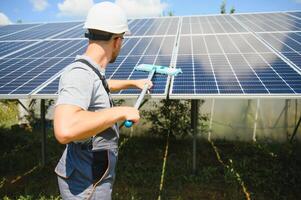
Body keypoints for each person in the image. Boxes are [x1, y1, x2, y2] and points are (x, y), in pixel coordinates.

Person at [53, 2, 152, 199]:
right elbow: (65, 130)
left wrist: (133, 83)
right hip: (86, 183)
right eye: (122, 39)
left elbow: (100, 84)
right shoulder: (79, 73)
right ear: (116, 40)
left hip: (92, 173)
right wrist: (120, 112)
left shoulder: (91, 71)